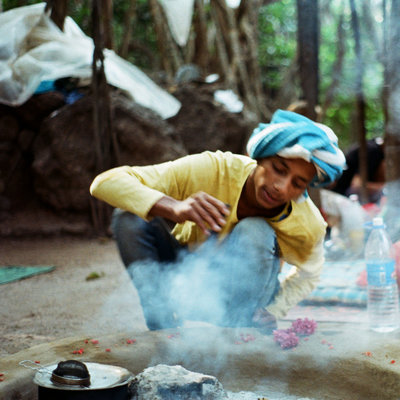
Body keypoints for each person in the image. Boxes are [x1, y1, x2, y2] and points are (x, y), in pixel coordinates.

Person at [90, 109, 345, 333]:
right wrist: (174, 207)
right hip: (187, 283)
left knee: (255, 228)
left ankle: (240, 331)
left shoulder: (308, 223)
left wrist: (275, 310)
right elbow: (104, 183)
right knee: (127, 216)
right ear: (257, 157)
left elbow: (310, 273)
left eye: (297, 184)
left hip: (244, 302)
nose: (281, 186)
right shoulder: (213, 168)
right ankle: (164, 328)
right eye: (279, 168)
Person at [331, 137, 385, 204]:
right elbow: (356, 184)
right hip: (343, 194)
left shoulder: (375, 144)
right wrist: (384, 188)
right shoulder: (373, 151)